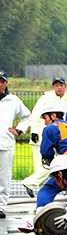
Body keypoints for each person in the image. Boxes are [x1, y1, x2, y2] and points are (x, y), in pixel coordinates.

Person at [22, 77, 67, 197]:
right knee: (41, 165)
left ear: (65, 87)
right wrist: (34, 131)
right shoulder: (45, 98)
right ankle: (42, 192)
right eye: (56, 85)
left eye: (61, 85)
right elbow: (35, 115)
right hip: (41, 134)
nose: (59, 87)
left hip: (59, 137)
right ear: (53, 87)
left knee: (55, 164)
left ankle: (30, 183)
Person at [0, 70, 31, 218]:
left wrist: (19, 130)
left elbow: (27, 116)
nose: (0, 84)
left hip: (5, 143)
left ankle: (1, 206)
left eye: (2, 81)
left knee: (4, 176)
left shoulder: (13, 100)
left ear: (6, 83)